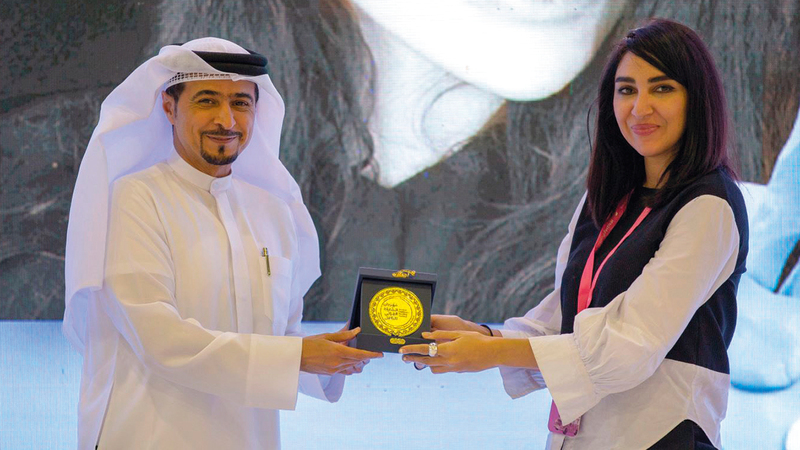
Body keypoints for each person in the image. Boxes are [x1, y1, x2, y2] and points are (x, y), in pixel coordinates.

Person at [400, 19, 748, 449]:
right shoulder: (607, 197)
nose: (640, 108)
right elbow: (565, 319)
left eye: (662, 88)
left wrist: (490, 353)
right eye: (626, 90)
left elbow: (630, 344)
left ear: (697, 99)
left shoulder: (709, 205)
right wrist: (482, 336)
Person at [62, 37, 382, 449]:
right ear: (169, 108)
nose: (226, 120)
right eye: (207, 101)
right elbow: (160, 339)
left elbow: (282, 340)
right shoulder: (135, 198)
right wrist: (299, 356)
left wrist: (338, 353)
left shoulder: (274, 211)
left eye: (240, 103)